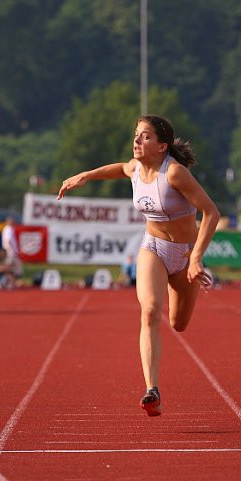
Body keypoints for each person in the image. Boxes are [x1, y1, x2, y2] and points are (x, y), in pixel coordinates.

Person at [58, 114, 220, 417]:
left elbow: (211, 213)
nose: (137, 140)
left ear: (161, 146)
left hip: (184, 254)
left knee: (179, 324)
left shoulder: (174, 174)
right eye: (136, 134)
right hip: (153, 248)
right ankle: (152, 389)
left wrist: (196, 257)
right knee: (148, 312)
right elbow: (119, 168)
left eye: (145, 136)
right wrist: (86, 176)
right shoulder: (135, 168)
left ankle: (181, 287)